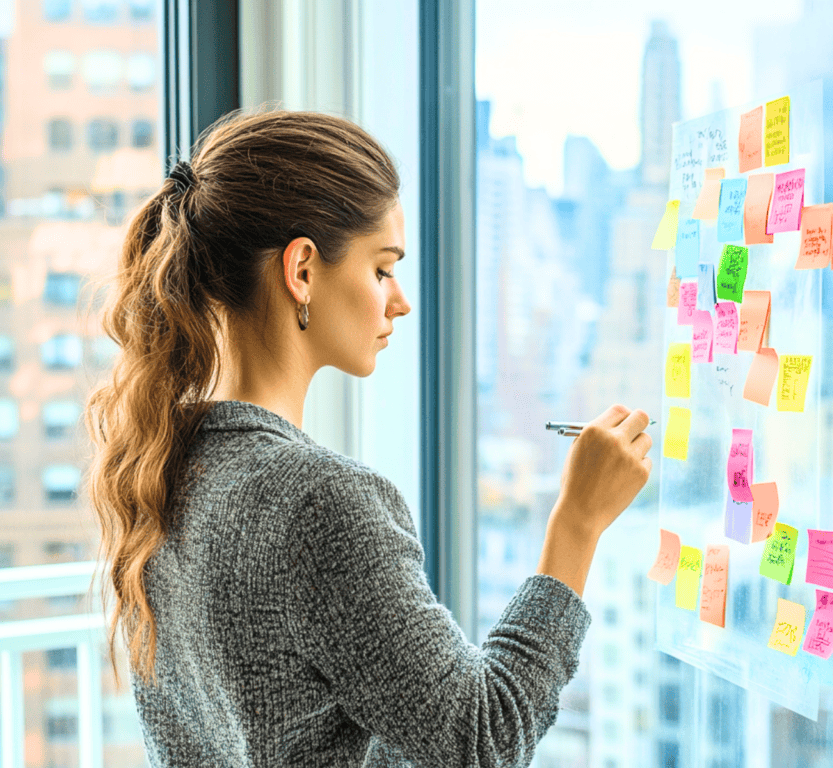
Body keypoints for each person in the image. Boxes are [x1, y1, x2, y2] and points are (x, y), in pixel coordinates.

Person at [83, 107, 653, 767]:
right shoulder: (317, 502)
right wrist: (577, 522)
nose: (400, 300)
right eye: (381, 269)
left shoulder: (162, 465)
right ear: (301, 271)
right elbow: (479, 738)